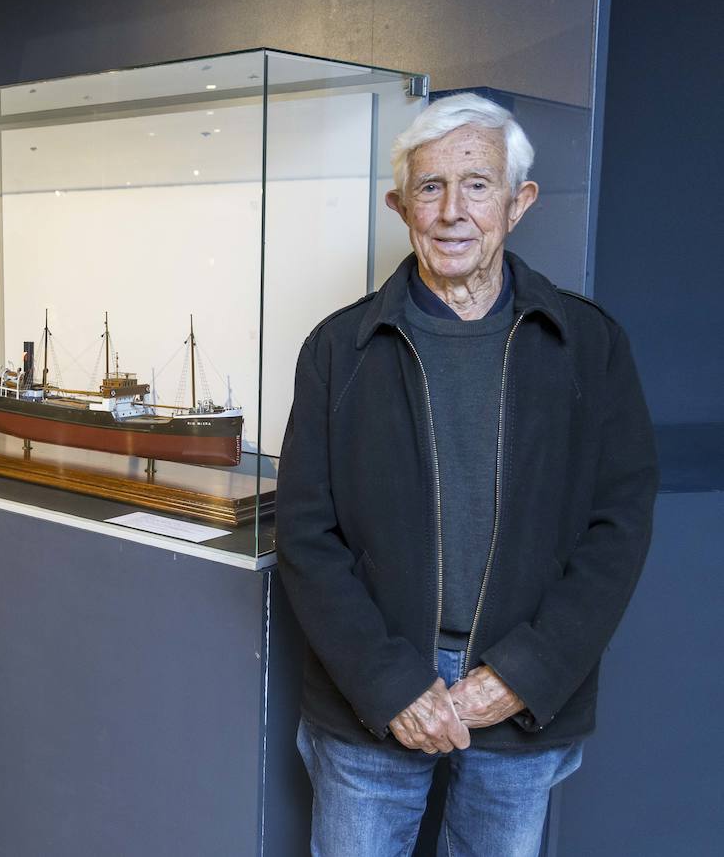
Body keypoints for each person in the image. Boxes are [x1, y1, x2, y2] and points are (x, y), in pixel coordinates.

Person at [276, 93, 658, 856]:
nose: (453, 211)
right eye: (430, 187)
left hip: (523, 697)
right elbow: (308, 535)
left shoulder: (588, 344)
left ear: (519, 204)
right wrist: (390, 685)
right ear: (400, 204)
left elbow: (618, 526)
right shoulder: (336, 350)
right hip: (372, 693)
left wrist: (525, 672)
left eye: (477, 185)